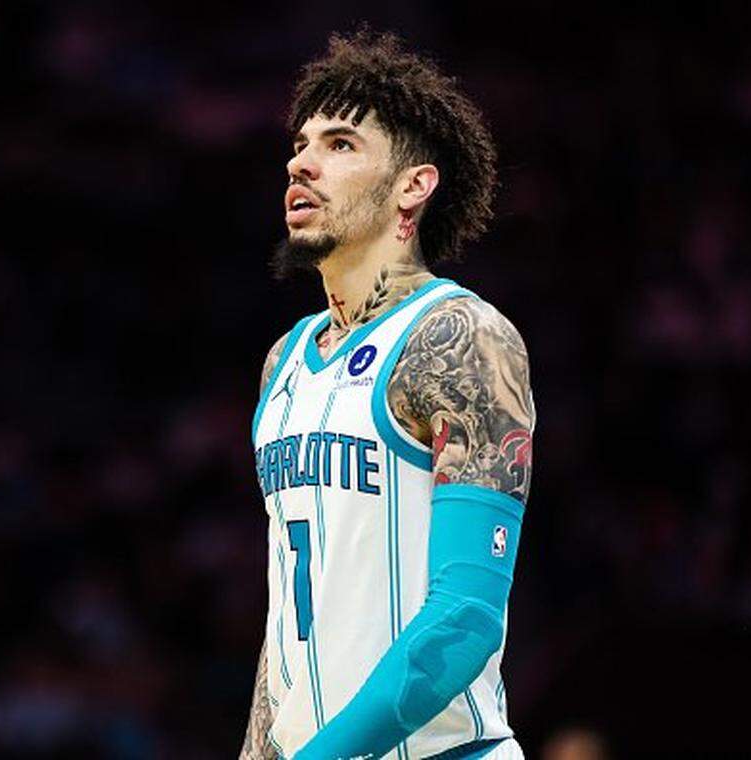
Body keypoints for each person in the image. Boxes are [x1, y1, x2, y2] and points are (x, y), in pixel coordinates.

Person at [241, 29, 535, 760]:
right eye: (301, 142)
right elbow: (287, 626)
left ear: (413, 185)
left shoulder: (460, 336)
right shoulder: (286, 363)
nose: (300, 161)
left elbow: (465, 618)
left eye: (340, 145)